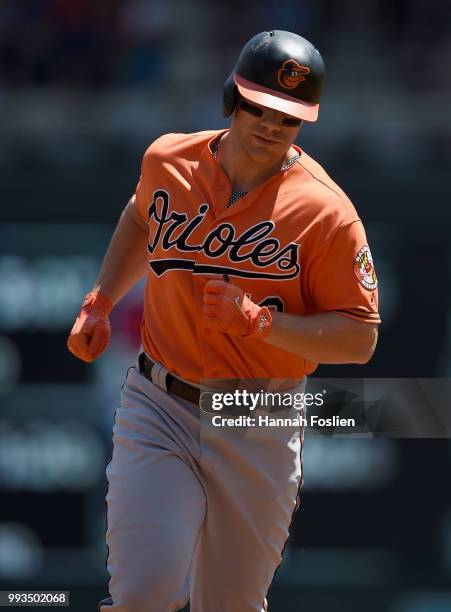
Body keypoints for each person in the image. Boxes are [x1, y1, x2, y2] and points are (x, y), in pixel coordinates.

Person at [67, 30, 380, 612]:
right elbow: (142, 216)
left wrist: (261, 325)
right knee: (142, 593)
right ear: (232, 97)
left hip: (259, 413)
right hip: (160, 403)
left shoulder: (327, 212)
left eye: (287, 118)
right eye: (258, 107)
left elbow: (360, 338)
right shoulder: (169, 159)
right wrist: (101, 299)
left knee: (229, 605)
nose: (269, 125)